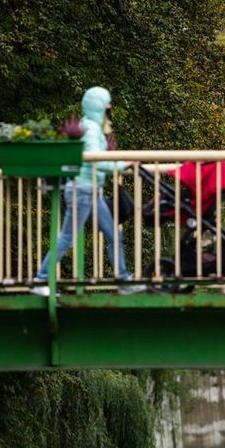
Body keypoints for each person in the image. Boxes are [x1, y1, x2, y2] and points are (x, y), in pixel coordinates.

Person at [33, 86, 140, 295]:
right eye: (107, 103)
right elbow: (95, 161)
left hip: (91, 191)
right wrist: (122, 165)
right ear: (99, 105)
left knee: (113, 235)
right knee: (66, 238)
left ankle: (123, 281)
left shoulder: (90, 126)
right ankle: (40, 279)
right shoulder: (91, 129)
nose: (110, 107)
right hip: (82, 191)